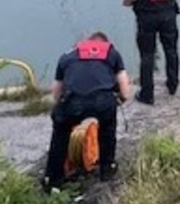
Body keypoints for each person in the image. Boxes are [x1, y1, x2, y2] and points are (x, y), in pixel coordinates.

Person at [43, 31, 133, 191]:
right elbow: (125, 91)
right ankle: (107, 168)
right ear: (105, 43)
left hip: (72, 101)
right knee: (107, 128)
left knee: (60, 134)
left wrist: (62, 111)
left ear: (86, 42)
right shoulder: (112, 53)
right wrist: (119, 100)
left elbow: (56, 93)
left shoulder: (67, 56)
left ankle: (53, 178)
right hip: (102, 101)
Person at [123, 0, 180, 105]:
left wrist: (137, 1)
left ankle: (147, 94)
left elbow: (126, 1)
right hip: (168, 17)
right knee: (171, 50)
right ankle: (172, 85)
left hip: (146, 20)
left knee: (147, 55)